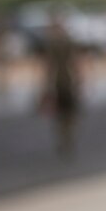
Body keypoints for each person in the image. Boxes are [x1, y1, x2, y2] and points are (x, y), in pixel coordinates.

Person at [39, 12, 82, 156]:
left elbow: (49, 66)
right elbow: (75, 63)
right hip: (67, 82)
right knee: (69, 114)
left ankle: (64, 138)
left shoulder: (52, 43)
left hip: (58, 82)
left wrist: (45, 86)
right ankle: (67, 138)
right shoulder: (66, 41)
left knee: (61, 114)